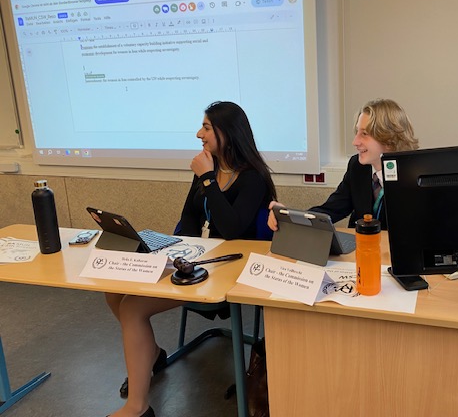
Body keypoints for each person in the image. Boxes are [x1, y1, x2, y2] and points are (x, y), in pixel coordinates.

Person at [105, 101, 276, 417]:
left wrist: (208, 179)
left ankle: (137, 407)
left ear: (228, 133)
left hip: (230, 269)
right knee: (114, 291)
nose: (199, 134)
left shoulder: (252, 178)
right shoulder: (208, 168)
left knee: (131, 307)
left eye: (207, 127)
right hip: (195, 261)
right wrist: (175, 252)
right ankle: (151, 353)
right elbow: (188, 218)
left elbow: (233, 229)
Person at [268, 98, 419, 231]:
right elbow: (331, 210)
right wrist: (290, 216)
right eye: (357, 132)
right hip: (361, 248)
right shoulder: (357, 167)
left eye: (364, 134)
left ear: (389, 139)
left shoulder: (415, 175)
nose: (355, 142)